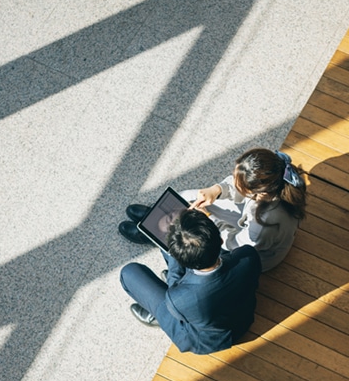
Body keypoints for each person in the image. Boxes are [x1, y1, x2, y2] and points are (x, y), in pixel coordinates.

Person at [119, 148, 306, 271]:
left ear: (258, 193)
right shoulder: (275, 181)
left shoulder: (265, 224)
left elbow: (236, 245)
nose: (233, 181)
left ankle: (153, 232)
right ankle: (156, 218)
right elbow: (238, 183)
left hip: (251, 254)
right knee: (187, 197)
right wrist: (216, 190)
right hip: (249, 223)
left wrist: (209, 220)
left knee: (196, 235)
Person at [120, 209, 261, 354]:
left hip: (204, 339)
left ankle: (158, 317)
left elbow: (173, 289)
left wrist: (173, 255)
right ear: (220, 240)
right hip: (243, 320)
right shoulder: (247, 256)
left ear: (184, 263)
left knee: (129, 273)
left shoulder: (178, 300)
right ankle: (158, 233)